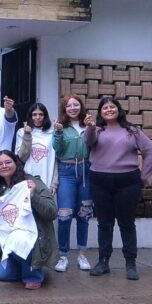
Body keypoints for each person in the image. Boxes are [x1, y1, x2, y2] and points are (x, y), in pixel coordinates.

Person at [84, 96, 152, 280]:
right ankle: (103, 262)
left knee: (126, 223)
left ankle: (131, 263)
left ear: (118, 109)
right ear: (100, 112)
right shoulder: (97, 130)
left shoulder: (132, 131)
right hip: (99, 181)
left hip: (127, 182)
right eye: (105, 107)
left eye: (112, 107)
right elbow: (88, 142)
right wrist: (91, 127)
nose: (109, 110)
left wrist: (143, 176)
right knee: (104, 224)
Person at [0, 151, 57, 290]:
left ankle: (33, 273)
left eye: (8, 162)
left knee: (21, 240)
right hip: (8, 241)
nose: (4, 166)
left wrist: (33, 196)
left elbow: (51, 212)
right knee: (2, 275)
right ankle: (27, 266)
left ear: (16, 164)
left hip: (33, 236)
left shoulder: (32, 182)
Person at [51, 94, 92, 273]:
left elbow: (95, 144)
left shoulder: (87, 126)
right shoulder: (62, 127)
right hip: (66, 172)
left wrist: (92, 128)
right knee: (64, 215)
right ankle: (63, 256)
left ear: (81, 107)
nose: (73, 108)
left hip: (85, 171)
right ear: (64, 109)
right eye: (69, 106)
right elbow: (56, 149)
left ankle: (82, 254)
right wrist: (58, 132)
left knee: (84, 214)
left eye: (76, 105)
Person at [16, 103, 57, 188]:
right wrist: (27, 134)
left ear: (45, 116)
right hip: (28, 177)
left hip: (47, 177)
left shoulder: (52, 132)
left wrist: (54, 183)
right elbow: (21, 157)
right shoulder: (21, 132)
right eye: (34, 114)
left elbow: (55, 159)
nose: (37, 117)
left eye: (41, 114)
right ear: (30, 116)